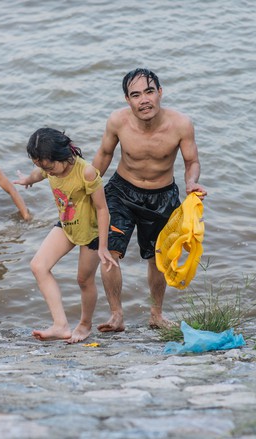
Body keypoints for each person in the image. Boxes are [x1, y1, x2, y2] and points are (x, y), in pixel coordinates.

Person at [92, 68, 207, 332]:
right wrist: (86, 188)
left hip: (162, 196)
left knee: (157, 258)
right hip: (121, 191)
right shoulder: (117, 121)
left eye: (149, 91)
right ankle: (116, 315)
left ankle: (156, 314)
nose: (144, 100)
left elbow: (192, 161)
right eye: (135, 95)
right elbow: (104, 155)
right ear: (127, 99)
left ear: (160, 93)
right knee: (110, 252)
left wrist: (191, 182)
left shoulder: (181, 124)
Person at [14, 128, 118, 343]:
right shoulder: (48, 166)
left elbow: (102, 209)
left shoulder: (86, 172)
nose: (47, 172)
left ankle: (85, 325)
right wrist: (27, 179)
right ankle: (60, 325)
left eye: (49, 167)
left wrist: (103, 247)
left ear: (62, 156)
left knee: (83, 280)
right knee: (38, 266)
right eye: (41, 166)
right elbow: (39, 174)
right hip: (67, 224)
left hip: (91, 232)